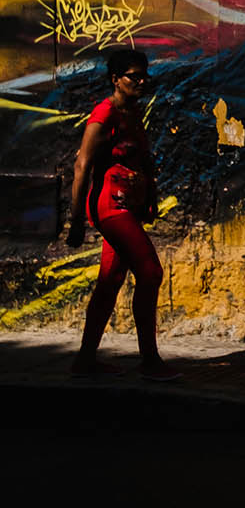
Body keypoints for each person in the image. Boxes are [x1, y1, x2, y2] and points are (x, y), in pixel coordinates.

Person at [66, 47, 176, 381]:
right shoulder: (105, 113)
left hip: (129, 206)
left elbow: (140, 160)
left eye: (145, 75)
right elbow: (82, 164)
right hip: (110, 208)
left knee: (111, 281)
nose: (142, 81)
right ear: (116, 79)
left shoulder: (132, 110)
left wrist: (150, 196)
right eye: (134, 76)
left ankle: (85, 362)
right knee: (151, 272)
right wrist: (75, 222)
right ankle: (150, 360)